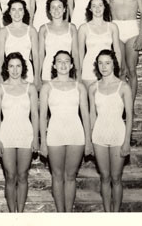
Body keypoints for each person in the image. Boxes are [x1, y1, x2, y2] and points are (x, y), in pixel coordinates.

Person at [39, 50, 92, 212]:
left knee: (70, 177)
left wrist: (88, 141)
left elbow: (85, 115)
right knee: (57, 176)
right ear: (54, 65)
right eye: (59, 61)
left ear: (71, 65)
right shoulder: (47, 87)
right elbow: (42, 117)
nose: (63, 64)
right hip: (55, 134)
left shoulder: (79, 87)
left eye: (66, 61)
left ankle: (68, 215)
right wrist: (42, 142)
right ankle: (60, 214)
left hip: (76, 134)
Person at [0, 52, 39, 212]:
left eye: (18, 66)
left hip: (26, 134)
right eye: (11, 66)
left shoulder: (30, 88)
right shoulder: (0, 88)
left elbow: (34, 114)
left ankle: (21, 212)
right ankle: (12, 214)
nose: (14, 70)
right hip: (6, 135)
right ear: (6, 68)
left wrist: (36, 138)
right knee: (10, 176)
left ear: (23, 68)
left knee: (23, 175)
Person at [89, 49, 133, 212]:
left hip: (118, 135)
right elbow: (92, 115)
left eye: (107, 62)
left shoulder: (124, 87)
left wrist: (127, 141)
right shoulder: (93, 87)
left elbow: (129, 115)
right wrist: (90, 139)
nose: (104, 66)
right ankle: (107, 213)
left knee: (116, 178)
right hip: (99, 135)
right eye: (100, 63)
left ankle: (116, 214)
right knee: (105, 177)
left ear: (114, 64)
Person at [104, 0, 142, 102]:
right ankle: (121, 106)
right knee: (120, 71)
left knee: (131, 71)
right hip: (115, 29)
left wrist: (141, 37)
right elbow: (105, 15)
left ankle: (131, 107)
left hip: (131, 30)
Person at [78, 0, 121, 88]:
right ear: (90, 9)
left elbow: (117, 50)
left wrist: (117, 69)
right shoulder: (83, 28)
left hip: (107, 68)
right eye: (94, 6)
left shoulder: (113, 27)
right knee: (90, 100)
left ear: (105, 7)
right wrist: (79, 72)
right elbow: (80, 52)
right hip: (89, 68)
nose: (97, 8)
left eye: (100, 5)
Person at [0, 0, 40, 86]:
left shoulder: (31, 31)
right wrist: (1, 78)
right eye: (13, 9)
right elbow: (0, 57)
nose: (17, 13)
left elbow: (35, 56)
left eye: (20, 9)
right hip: (10, 72)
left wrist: (37, 78)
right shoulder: (3, 31)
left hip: (27, 73)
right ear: (9, 12)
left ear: (24, 12)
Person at [39, 0, 79, 82]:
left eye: (59, 7)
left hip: (66, 69)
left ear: (64, 9)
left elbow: (75, 54)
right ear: (49, 10)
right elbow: (41, 54)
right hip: (48, 70)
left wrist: (78, 75)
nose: (56, 10)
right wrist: (38, 75)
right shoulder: (43, 29)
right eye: (53, 7)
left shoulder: (72, 28)